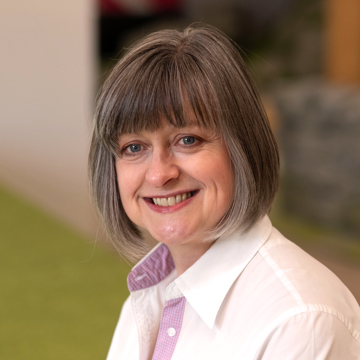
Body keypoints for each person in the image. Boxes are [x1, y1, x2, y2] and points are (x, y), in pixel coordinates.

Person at [89, 24, 360, 359]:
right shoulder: (148, 295)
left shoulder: (301, 322)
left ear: (243, 147)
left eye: (188, 140)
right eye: (133, 148)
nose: (159, 174)